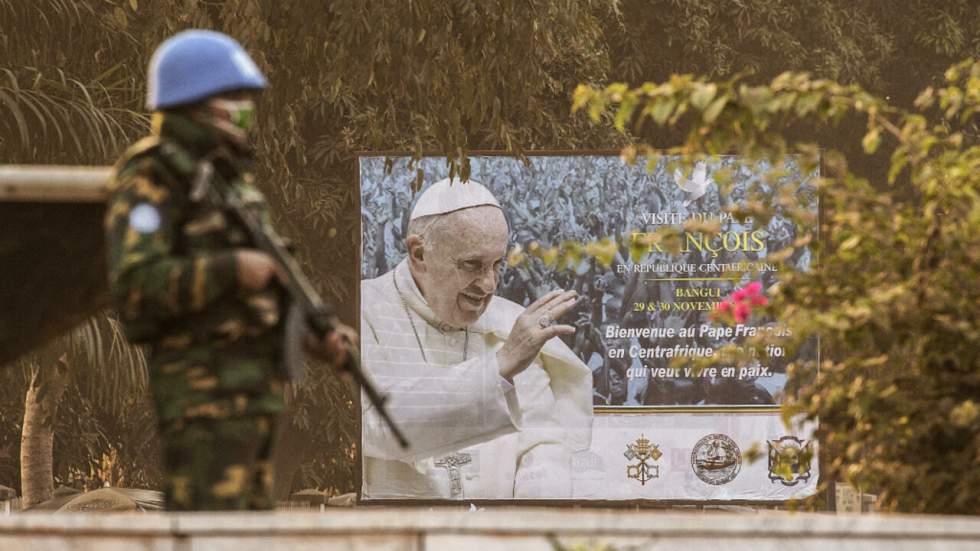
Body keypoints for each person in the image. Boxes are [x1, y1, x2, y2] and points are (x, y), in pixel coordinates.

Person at [104, 30, 354, 510]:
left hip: (254, 398)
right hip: (202, 402)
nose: (245, 109)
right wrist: (232, 268)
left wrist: (313, 338)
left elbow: (260, 296)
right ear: (193, 102)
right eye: (233, 97)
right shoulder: (153, 174)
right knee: (209, 536)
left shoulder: (231, 181)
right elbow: (136, 288)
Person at [360, 177, 593, 499]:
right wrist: (497, 368)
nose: (489, 285)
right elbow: (375, 427)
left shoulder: (509, 321)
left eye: (498, 264)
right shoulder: (364, 311)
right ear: (419, 253)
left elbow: (543, 443)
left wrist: (532, 523)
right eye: (472, 265)